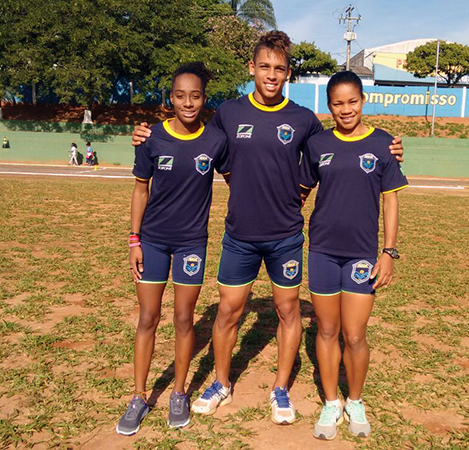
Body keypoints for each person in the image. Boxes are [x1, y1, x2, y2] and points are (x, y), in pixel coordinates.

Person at [131, 31, 404, 426]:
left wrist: (389, 147)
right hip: (239, 235)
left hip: (287, 236)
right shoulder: (228, 113)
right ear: (252, 68)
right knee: (227, 312)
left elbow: (339, 146)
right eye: (264, 67)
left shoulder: (304, 121)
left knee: (288, 311)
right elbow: (195, 139)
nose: (271, 75)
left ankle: (280, 389)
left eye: (279, 68)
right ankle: (221, 382)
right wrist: (145, 133)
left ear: (288, 73)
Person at [116, 62, 228, 435]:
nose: (188, 102)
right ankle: (139, 396)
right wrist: (134, 240)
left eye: (195, 96)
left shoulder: (215, 140)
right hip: (152, 242)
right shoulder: (151, 138)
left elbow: (241, 173)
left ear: (204, 99)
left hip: (192, 243)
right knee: (148, 317)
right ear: (170, 99)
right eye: (180, 95)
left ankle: (178, 393)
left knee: (184, 318)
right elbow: (140, 190)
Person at [300, 71, 408, 440]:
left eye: (352, 101)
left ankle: (355, 400)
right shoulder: (318, 145)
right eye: (337, 103)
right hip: (323, 252)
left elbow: (390, 200)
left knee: (355, 334)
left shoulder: (383, 145)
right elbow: (299, 191)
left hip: (362, 255)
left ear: (363, 101)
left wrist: (389, 251)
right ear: (328, 106)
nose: (345, 110)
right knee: (327, 330)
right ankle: (331, 402)